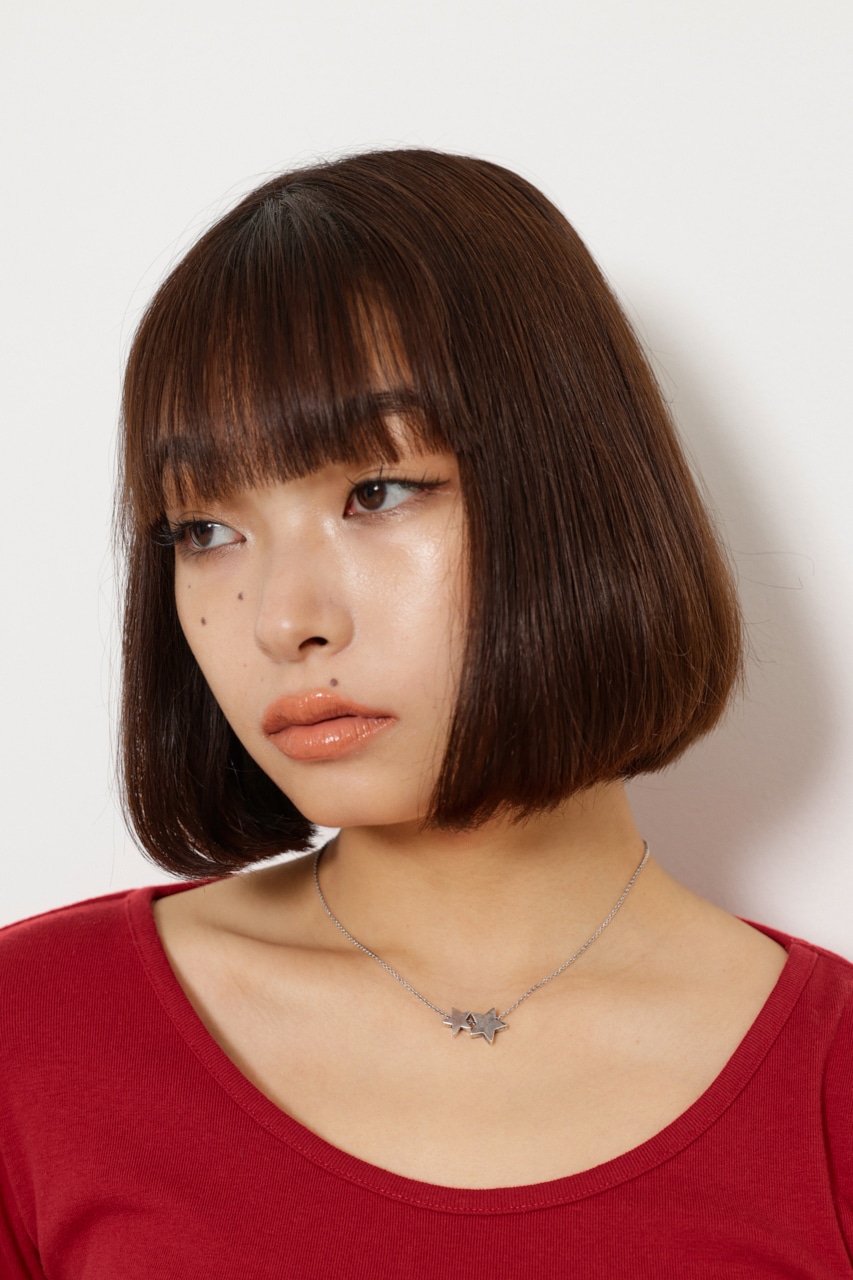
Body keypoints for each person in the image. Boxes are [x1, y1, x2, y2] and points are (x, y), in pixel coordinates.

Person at [1, 148, 850, 1279]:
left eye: (377, 491)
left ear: (578, 496)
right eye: (204, 530)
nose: (283, 620)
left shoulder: (829, 1089)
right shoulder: (34, 1038)